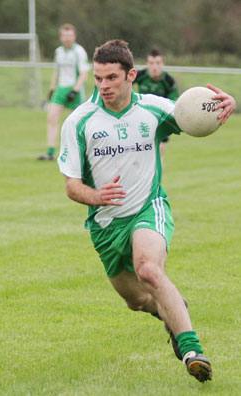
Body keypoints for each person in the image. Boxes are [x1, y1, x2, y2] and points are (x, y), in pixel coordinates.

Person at [58, 39, 236, 382]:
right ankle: (174, 310)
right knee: (137, 301)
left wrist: (224, 104)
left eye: (111, 78)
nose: (104, 86)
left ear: (131, 76)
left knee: (149, 270)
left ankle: (191, 350)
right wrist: (95, 196)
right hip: (105, 225)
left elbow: (195, 113)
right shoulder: (79, 122)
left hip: (147, 209)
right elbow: (71, 186)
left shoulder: (154, 109)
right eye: (98, 78)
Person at [37, 24, 90, 160]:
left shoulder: (79, 51)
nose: (67, 38)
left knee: (75, 124)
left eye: (70, 36)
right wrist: (52, 88)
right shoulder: (59, 52)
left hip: (74, 90)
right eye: (65, 36)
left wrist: (75, 90)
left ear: (74, 37)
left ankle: (79, 153)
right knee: (52, 118)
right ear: (61, 37)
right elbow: (57, 71)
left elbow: (84, 72)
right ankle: (50, 152)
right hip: (61, 89)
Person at [134, 49, 179, 167]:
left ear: (163, 64)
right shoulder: (140, 75)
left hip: (161, 120)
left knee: (158, 153)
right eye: (151, 63)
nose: (154, 66)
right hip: (141, 120)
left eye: (158, 63)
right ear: (147, 64)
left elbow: (173, 104)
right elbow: (124, 85)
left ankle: (157, 182)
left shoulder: (168, 81)